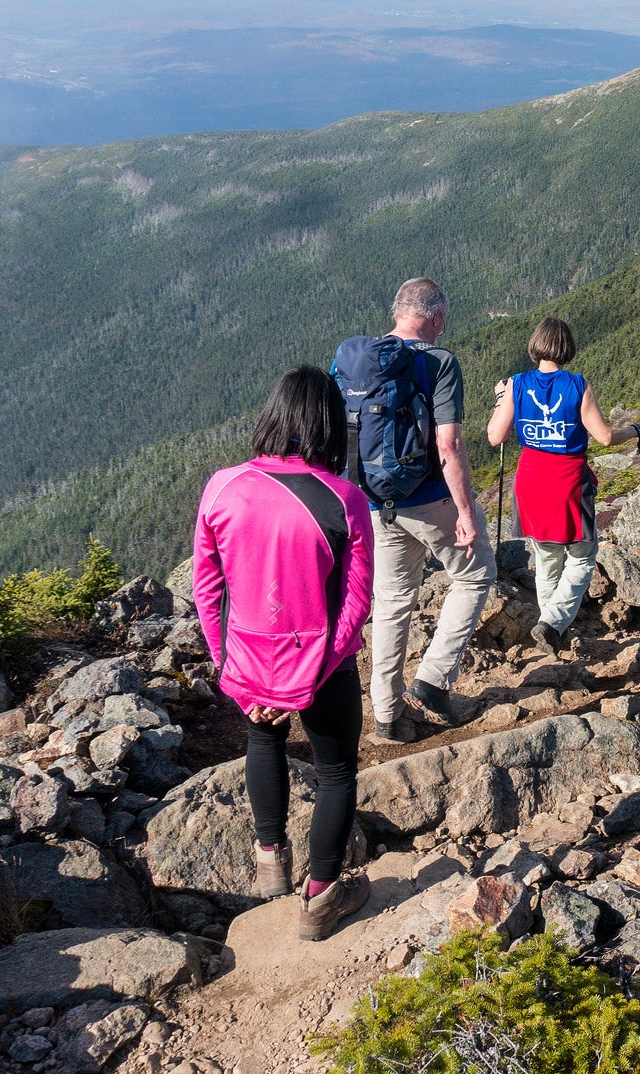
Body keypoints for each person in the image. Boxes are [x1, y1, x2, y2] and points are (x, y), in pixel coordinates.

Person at [191, 367, 373, 942]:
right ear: (327, 426)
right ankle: (321, 899)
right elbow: (357, 600)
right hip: (323, 663)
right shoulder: (344, 501)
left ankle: (271, 856)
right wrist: (315, 671)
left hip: (248, 657)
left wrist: (232, 673)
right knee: (338, 771)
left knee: (263, 739)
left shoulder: (222, 487)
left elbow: (207, 587)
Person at [333, 278, 495, 744]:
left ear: (396, 312)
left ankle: (385, 713)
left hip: (370, 504)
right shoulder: (439, 362)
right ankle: (433, 681)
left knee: (391, 603)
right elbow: (450, 443)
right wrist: (464, 510)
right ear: (436, 317)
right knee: (476, 572)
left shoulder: (355, 363)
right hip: (429, 499)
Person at [487, 318, 640, 654]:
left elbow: (495, 436)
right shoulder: (577, 385)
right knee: (582, 557)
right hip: (568, 482)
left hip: (531, 480)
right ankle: (553, 623)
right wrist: (635, 429)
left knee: (546, 560)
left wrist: (501, 398)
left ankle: (551, 632)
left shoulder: (516, 384)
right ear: (567, 348)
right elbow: (604, 436)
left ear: (535, 345)